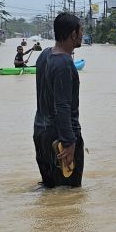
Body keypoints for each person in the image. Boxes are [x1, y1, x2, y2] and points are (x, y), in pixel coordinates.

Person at [32, 12, 84, 188]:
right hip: (60, 139)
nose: (82, 35)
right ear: (73, 34)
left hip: (41, 133)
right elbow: (62, 106)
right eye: (81, 31)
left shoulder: (44, 55)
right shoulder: (63, 63)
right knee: (68, 195)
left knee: (50, 190)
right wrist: (69, 142)